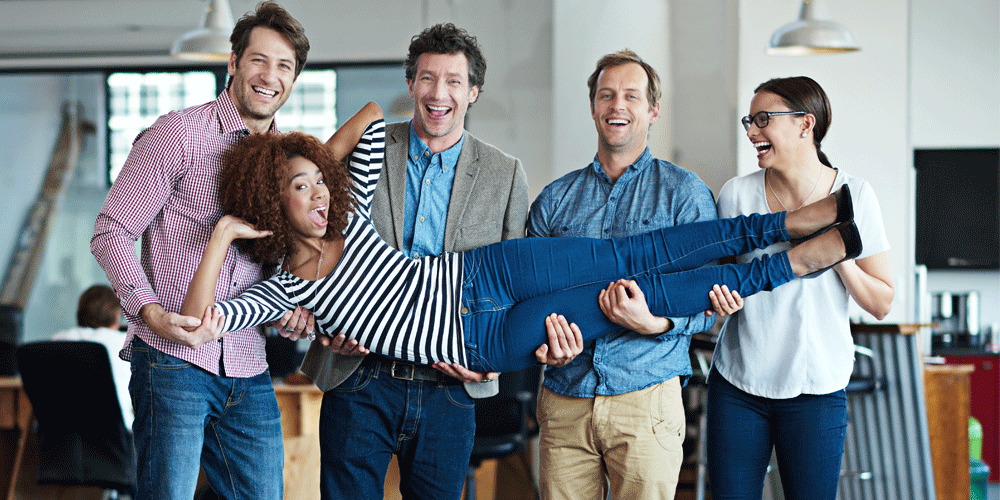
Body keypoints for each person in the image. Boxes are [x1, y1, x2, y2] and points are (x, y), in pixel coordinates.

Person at [179, 105, 862, 378]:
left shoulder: (348, 216)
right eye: (299, 190)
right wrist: (224, 232)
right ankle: (792, 264)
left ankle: (785, 226)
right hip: (485, 340)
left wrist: (301, 166)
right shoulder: (286, 291)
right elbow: (196, 324)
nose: (321, 194)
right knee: (626, 292)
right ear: (271, 205)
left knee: (631, 252)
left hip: (484, 273)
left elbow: (367, 118)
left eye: (319, 184)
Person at [295, 24, 578, 500]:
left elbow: (514, 287)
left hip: (449, 387)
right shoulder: (368, 148)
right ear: (411, 84)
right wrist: (324, 318)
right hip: (359, 374)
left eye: (453, 81)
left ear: (473, 91)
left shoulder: (505, 174)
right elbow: (316, 236)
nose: (438, 93)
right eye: (427, 78)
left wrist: (493, 365)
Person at [90, 3, 314, 499]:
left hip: (249, 364)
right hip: (172, 362)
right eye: (259, 60)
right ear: (233, 62)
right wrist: (148, 311)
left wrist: (292, 308)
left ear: (295, 79)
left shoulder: (288, 161)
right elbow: (111, 231)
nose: (269, 76)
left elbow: (276, 261)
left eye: (284, 66)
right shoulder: (178, 134)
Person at [525, 49, 735, 500]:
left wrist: (654, 323)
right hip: (564, 400)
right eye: (607, 95)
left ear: (653, 109)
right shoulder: (553, 200)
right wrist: (544, 346)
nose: (617, 106)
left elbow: (707, 299)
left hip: (646, 398)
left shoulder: (685, 195)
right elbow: (528, 297)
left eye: (631, 96)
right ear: (593, 107)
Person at [706, 76, 895, 500]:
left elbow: (881, 301)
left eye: (762, 120)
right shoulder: (736, 195)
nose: (752, 132)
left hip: (816, 391)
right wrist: (718, 302)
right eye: (749, 121)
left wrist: (835, 252)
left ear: (804, 124)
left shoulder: (855, 196)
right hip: (738, 385)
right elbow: (716, 289)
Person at [51, 284, 132, 430]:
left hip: (65, 437)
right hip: (117, 435)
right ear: (116, 315)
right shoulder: (126, 343)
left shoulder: (58, 341)